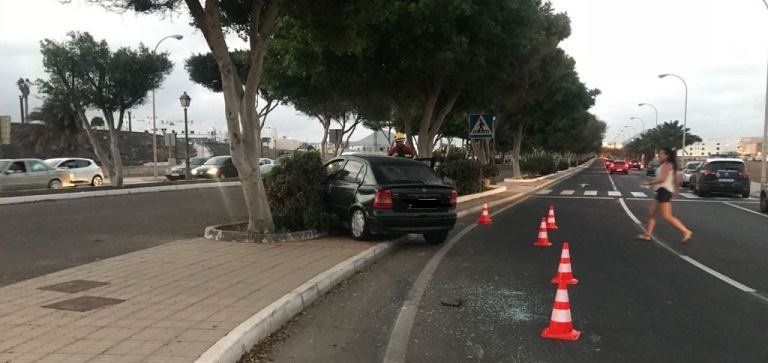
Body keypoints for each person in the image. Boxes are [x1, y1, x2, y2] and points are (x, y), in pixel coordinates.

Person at [638, 147, 693, 243]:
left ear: (667, 155)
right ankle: (647, 235)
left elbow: (662, 179)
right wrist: (675, 190)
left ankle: (686, 231)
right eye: (659, 154)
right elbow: (676, 179)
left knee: (667, 216)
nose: (659, 156)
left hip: (664, 191)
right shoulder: (666, 164)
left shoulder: (667, 165)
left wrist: (648, 183)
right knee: (651, 213)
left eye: (661, 154)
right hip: (661, 191)